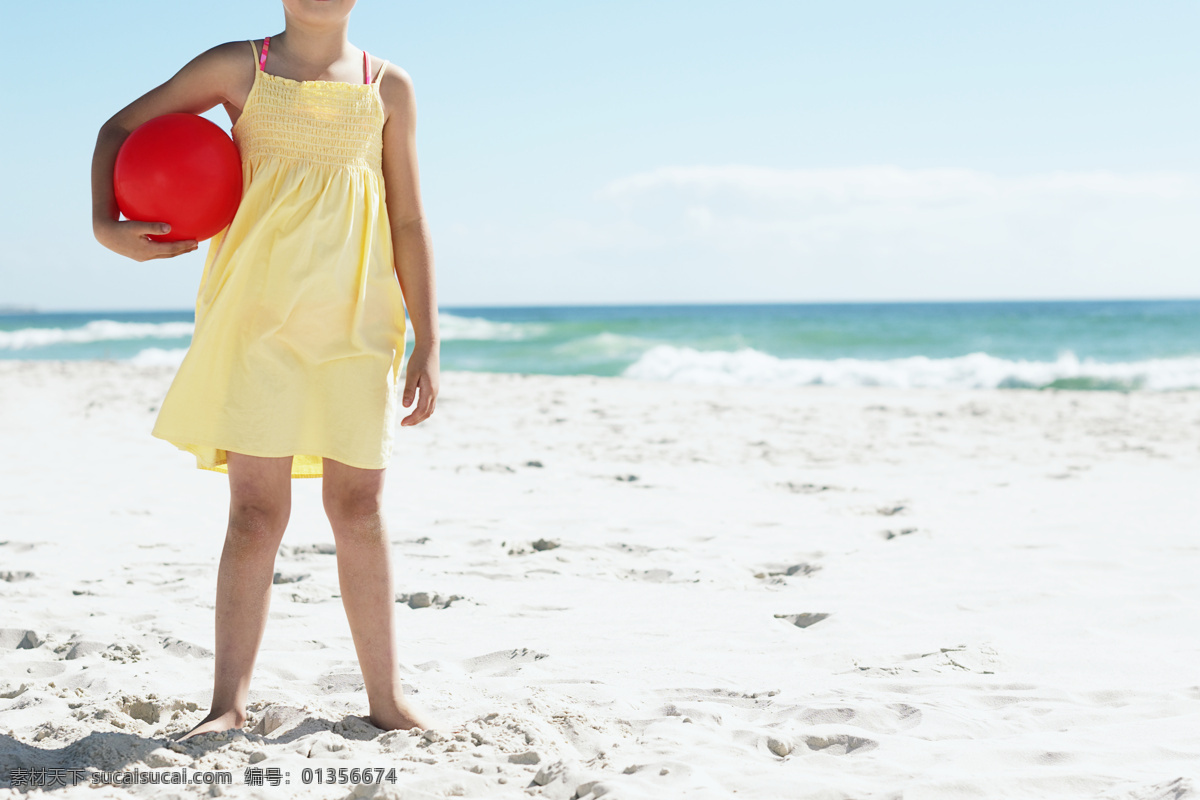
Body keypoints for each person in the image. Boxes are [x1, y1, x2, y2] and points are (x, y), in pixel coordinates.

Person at [90, 0, 439, 740]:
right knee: (255, 514)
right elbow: (116, 130)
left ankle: (386, 699)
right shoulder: (238, 66)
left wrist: (428, 338)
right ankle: (226, 704)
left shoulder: (390, 87)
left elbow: (407, 218)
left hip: (358, 326)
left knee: (360, 510)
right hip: (256, 324)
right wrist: (106, 224)